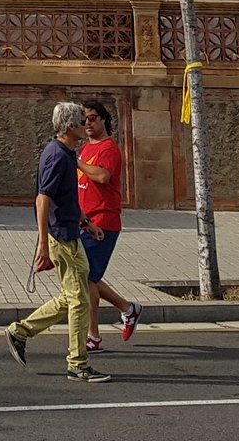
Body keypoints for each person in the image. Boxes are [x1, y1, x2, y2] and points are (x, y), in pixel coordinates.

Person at [4, 101, 109, 383]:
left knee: (72, 297)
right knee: (79, 301)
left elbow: (67, 199)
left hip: (71, 233)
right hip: (61, 237)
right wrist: (42, 243)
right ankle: (77, 364)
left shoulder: (66, 153)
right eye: (82, 121)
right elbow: (43, 198)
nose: (87, 126)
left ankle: (20, 331)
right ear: (70, 127)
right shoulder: (57, 156)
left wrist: (87, 223)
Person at [77, 98, 140, 351]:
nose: (88, 124)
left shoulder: (108, 148)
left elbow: (103, 176)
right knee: (85, 276)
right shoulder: (84, 148)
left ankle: (93, 336)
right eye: (84, 120)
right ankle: (128, 308)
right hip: (85, 221)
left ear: (104, 120)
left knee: (88, 278)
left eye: (92, 118)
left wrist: (76, 161)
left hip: (103, 221)